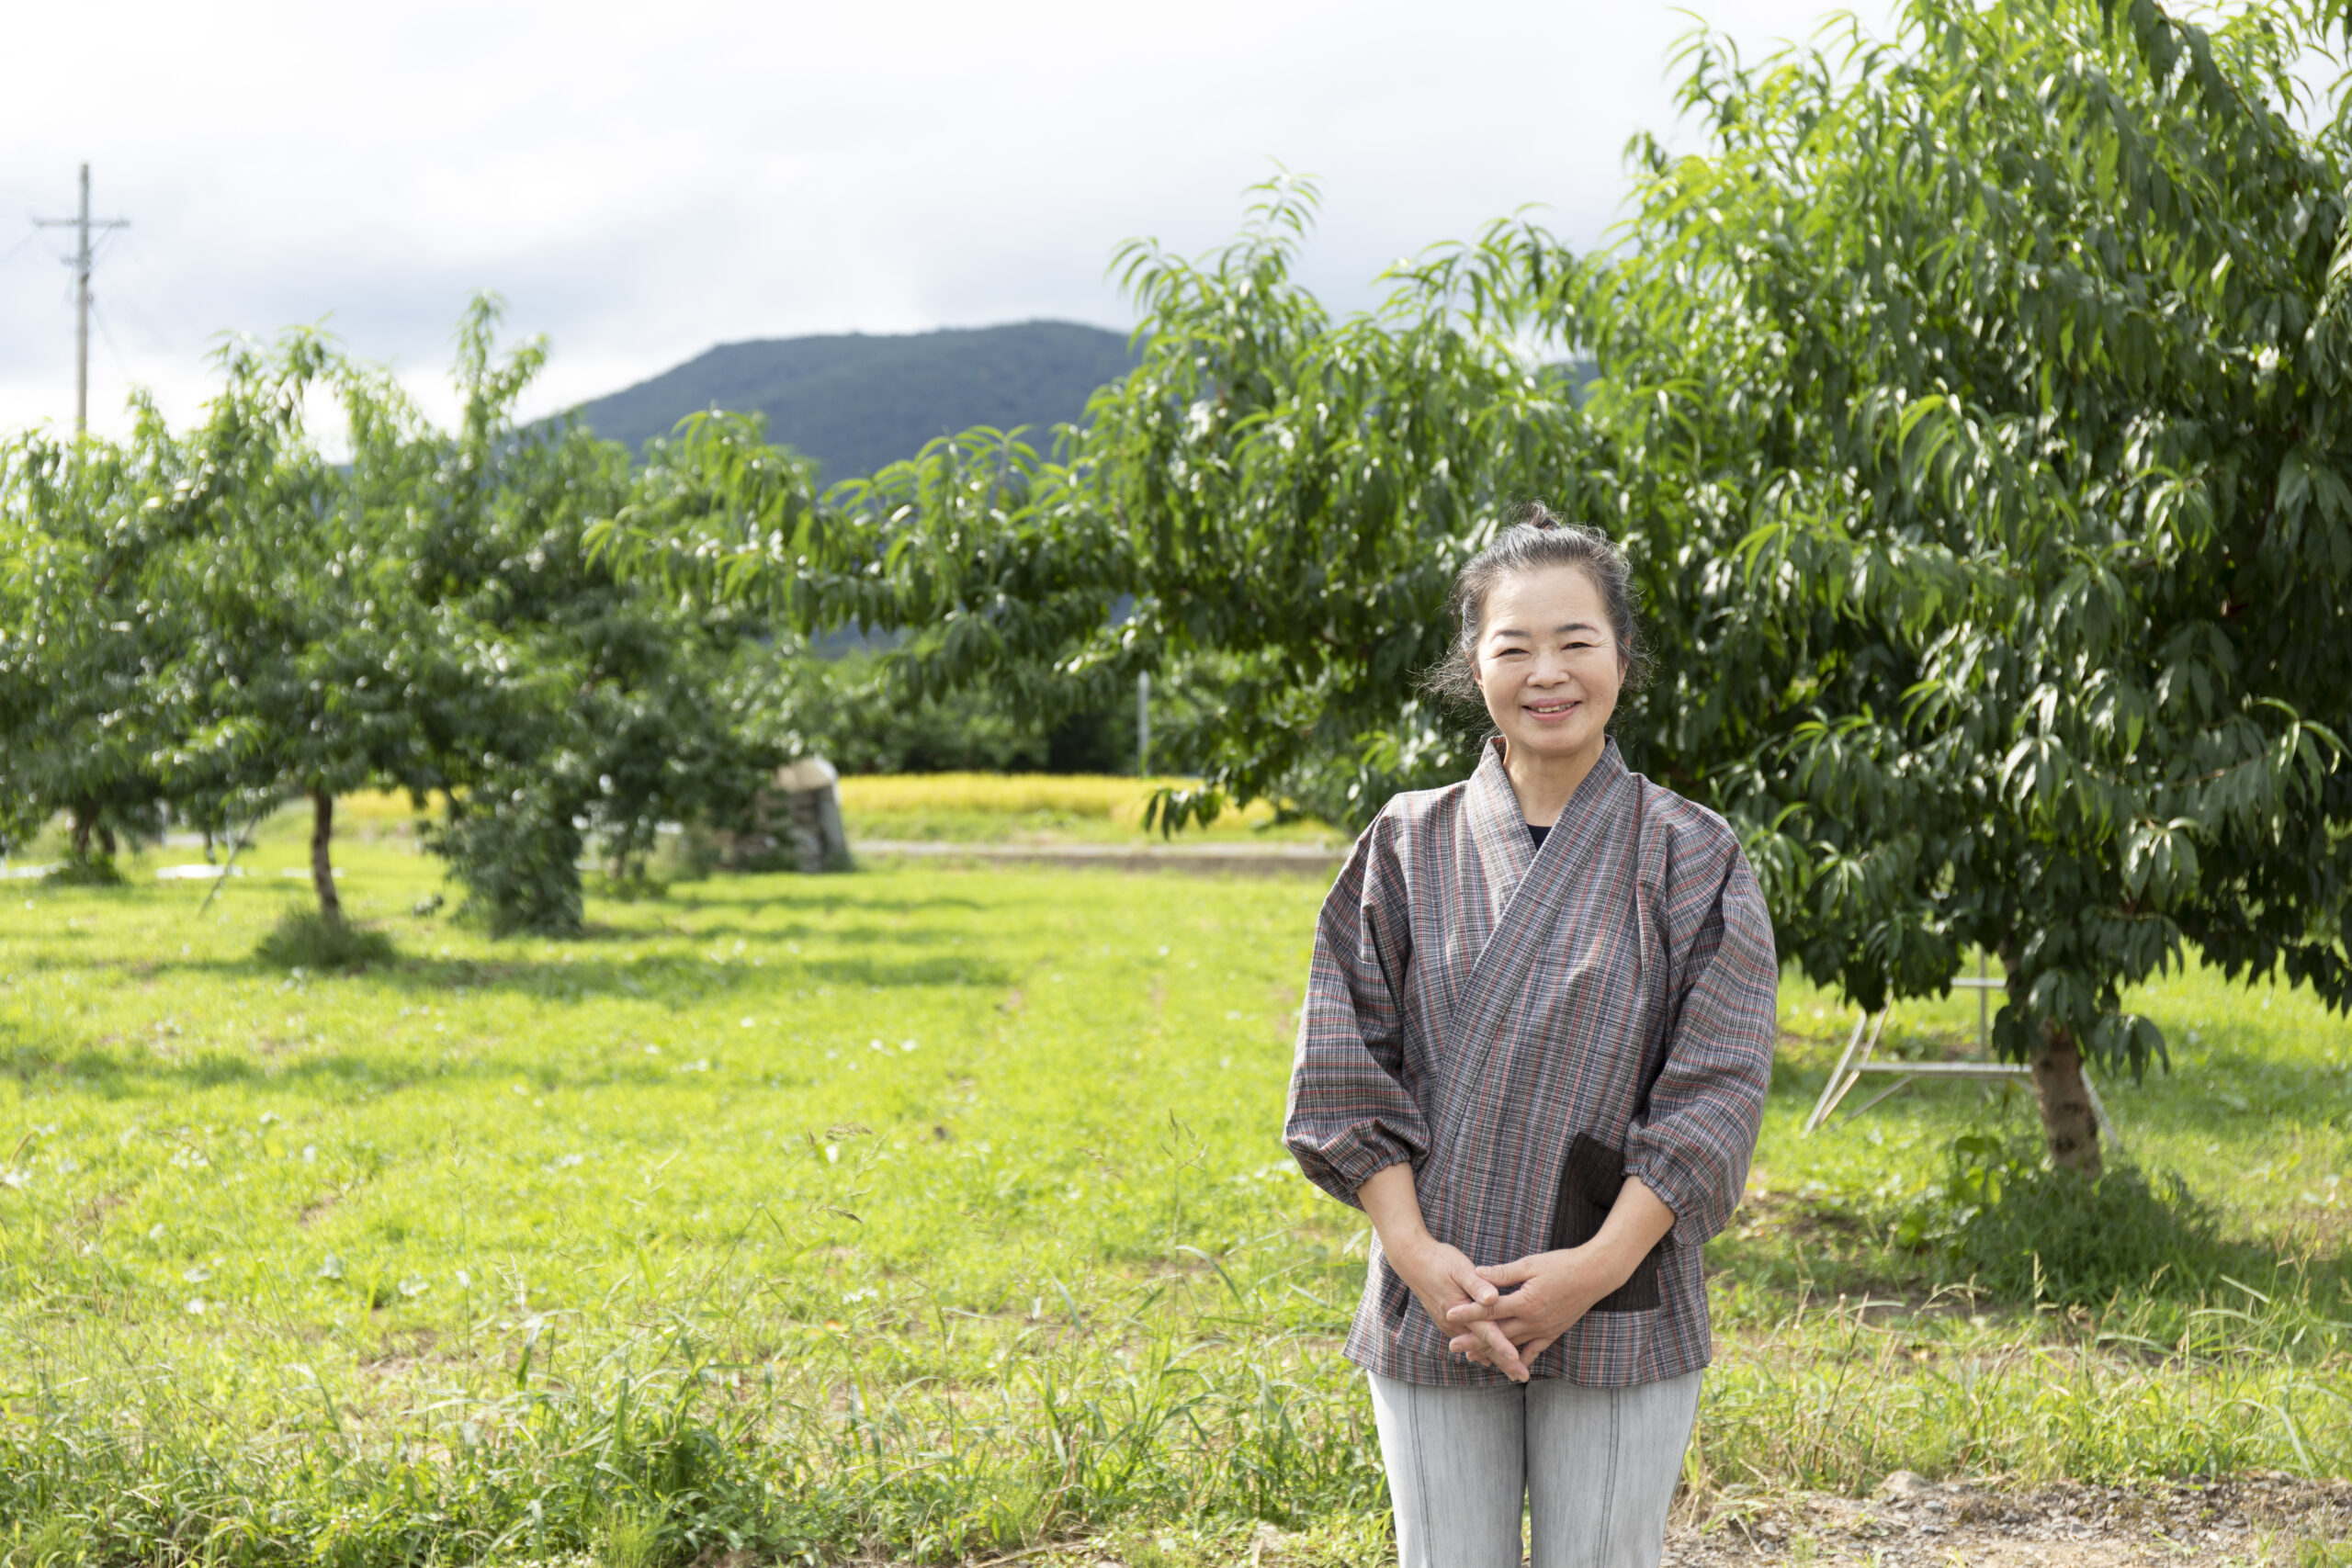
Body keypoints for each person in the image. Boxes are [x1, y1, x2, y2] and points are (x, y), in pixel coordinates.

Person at [1284, 508, 1778, 1568]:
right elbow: (1341, 1064)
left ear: (1623, 659)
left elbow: (1717, 1090)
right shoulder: (1406, 844)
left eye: (1575, 642)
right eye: (1514, 646)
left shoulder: (1693, 854)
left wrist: (1590, 1270)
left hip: (1620, 1284)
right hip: (1438, 1290)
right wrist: (1415, 1256)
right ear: (1474, 665)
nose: (1545, 672)